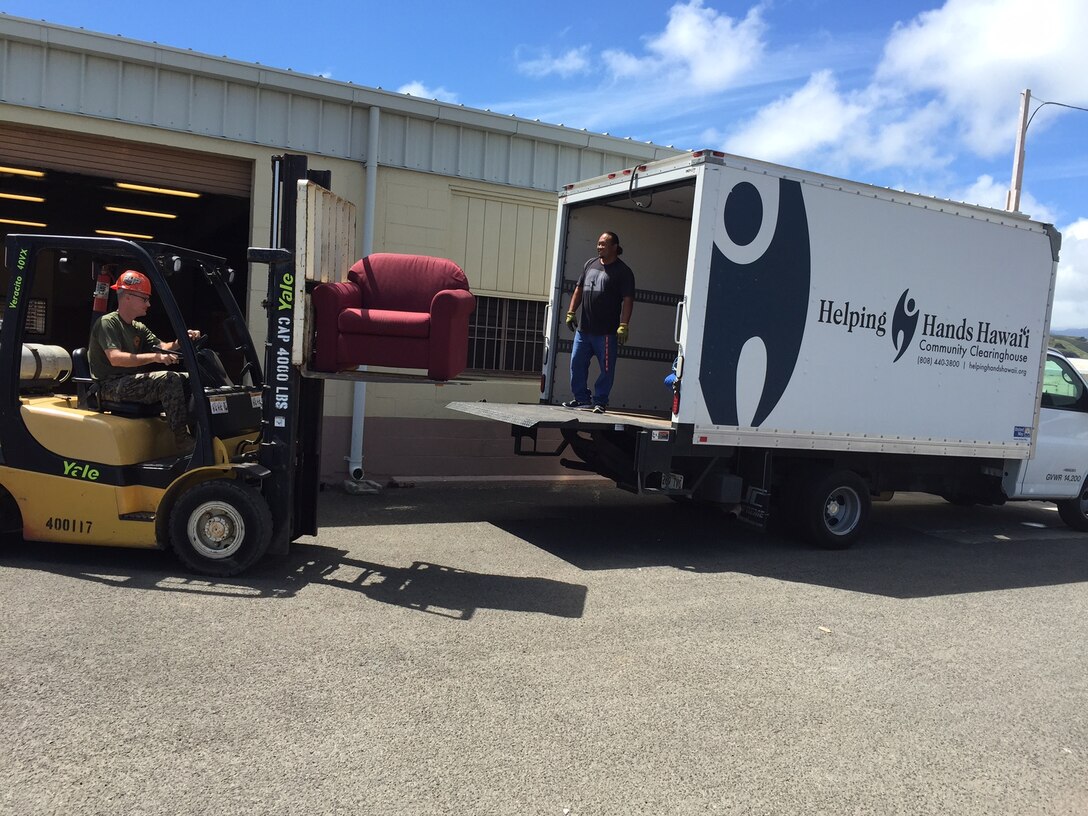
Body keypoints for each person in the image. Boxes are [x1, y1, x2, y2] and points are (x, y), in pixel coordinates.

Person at [87, 269, 202, 449]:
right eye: (144, 299)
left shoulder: (138, 327)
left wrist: (182, 341)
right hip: (110, 386)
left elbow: (163, 347)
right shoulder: (107, 323)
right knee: (168, 379)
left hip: (129, 382)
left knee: (190, 379)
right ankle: (181, 439)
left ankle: (199, 434)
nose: (148, 304)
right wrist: (155, 358)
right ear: (128, 298)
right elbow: (116, 358)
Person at [563, 231, 635, 413]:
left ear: (614, 248)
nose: (599, 247)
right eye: (598, 243)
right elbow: (579, 289)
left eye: (603, 244)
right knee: (576, 364)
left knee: (607, 369)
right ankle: (581, 399)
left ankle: (600, 401)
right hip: (584, 330)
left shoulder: (623, 271)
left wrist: (624, 324)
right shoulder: (590, 263)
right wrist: (571, 311)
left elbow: (628, 299)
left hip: (606, 333)